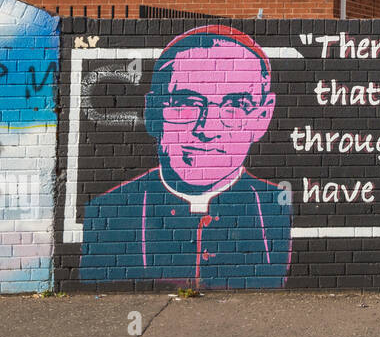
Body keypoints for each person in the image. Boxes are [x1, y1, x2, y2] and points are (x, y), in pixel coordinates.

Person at [79, 25, 291, 288]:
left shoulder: (282, 207)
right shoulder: (105, 212)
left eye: (236, 105)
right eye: (186, 103)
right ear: (153, 112)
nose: (207, 129)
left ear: (262, 118)